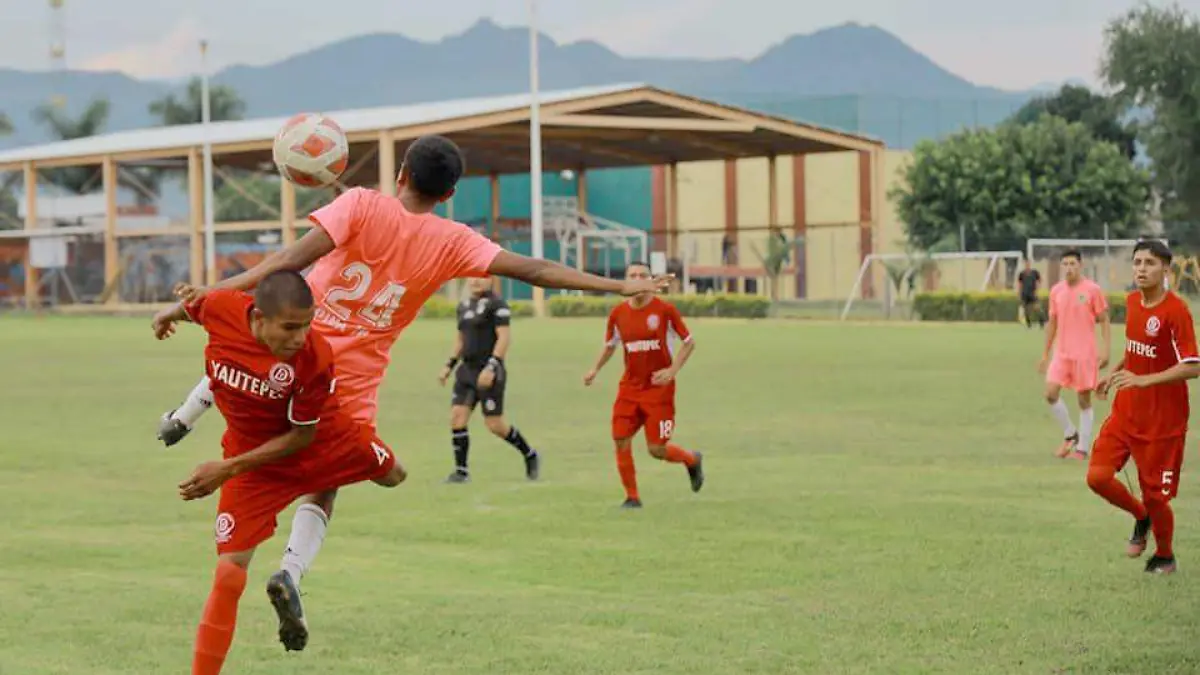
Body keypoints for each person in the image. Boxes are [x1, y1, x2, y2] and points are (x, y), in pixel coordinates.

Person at [151, 135, 669, 640]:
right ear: (448, 195)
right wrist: (618, 285)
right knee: (326, 479)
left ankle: (184, 416)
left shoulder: (359, 204)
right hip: (345, 384)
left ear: (401, 174)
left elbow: (285, 261)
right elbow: (535, 269)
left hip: (290, 347)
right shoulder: (453, 240)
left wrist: (202, 297)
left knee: (236, 352)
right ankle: (291, 569)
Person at [156, 271, 407, 673]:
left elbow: (301, 438)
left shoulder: (314, 355)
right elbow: (194, 308)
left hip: (319, 441)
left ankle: (293, 568)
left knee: (395, 474)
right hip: (252, 457)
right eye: (290, 327)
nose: (299, 337)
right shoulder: (222, 308)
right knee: (228, 572)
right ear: (257, 317)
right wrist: (165, 316)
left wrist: (226, 469)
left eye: (306, 325)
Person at [1091, 240, 1200, 575]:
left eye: (1150, 263)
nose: (1141, 268)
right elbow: (1136, 350)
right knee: (1097, 477)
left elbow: (1193, 364)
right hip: (1127, 412)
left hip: (1162, 422)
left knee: (1157, 496)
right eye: (1137, 262)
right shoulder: (1133, 302)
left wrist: (1144, 381)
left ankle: (1165, 556)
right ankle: (1141, 517)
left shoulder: (1176, 311)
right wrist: (1116, 373)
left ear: (1165, 270)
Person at [583, 262, 704, 508]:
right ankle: (632, 497)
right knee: (620, 438)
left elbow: (689, 342)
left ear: (650, 281)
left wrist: (672, 370)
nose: (637, 280)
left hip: (659, 390)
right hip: (630, 387)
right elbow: (610, 345)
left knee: (656, 449)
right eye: (632, 276)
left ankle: (691, 460)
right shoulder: (618, 314)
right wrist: (595, 369)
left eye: (642, 275)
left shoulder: (665, 311)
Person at [438, 275, 539, 483]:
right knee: (457, 417)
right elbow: (461, 339)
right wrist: (449, 365)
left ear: (490, 280)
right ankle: (461, 472)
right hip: (466, 370)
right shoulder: (464, 306)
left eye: (481, 278)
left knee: (495, 425)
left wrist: (492, 366)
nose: (475, 281)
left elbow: (504, 337)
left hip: (488, 371)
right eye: (472, 277)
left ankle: (529, 454)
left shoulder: (497, 305)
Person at [1038, 250, 1111, 459]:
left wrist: (1105, 350)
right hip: (1062, 353)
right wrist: (1045, 353)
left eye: (1072, 264)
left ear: (1080, 265)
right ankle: (1070, 434)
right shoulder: (1056, 291)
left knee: (1083, 400)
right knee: (1050, 393)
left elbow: (1104, 319)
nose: (1069, 268)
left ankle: (1082, 448)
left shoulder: (1092, 290)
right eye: (1065, 264)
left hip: (1084, 354)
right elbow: (1052, 323)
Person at [1017, 258, 1043, 328]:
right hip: (1025, 294)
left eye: (1028, 263)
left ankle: (1041, 323)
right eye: (1025, 264)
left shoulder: (1034, 272)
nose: (1027, 265)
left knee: (1037, 308)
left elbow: (1039, 281)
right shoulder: (1022, 274)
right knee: (1026, 310)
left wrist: (1037, 290)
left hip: (1032, 293)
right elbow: (1020, 284)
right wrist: (1019, 293)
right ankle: (1029, 325)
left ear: (1030, 264)